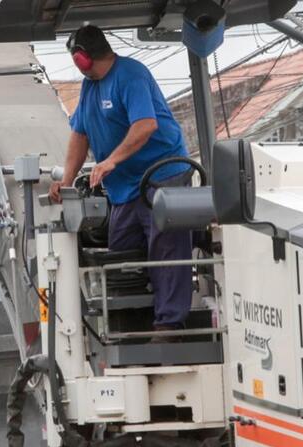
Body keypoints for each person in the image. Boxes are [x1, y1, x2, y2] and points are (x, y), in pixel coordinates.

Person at [49, 25, 194, 333]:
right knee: (121, 256)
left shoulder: (131, 75)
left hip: (162, 177)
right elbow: (80, 134)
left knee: (165, 250)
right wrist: (67, 179)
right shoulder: (90, 86)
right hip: (125, 188)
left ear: (81, 58)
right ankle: (131, 327)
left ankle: (170, 326)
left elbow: (146, 125)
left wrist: (110, 161)